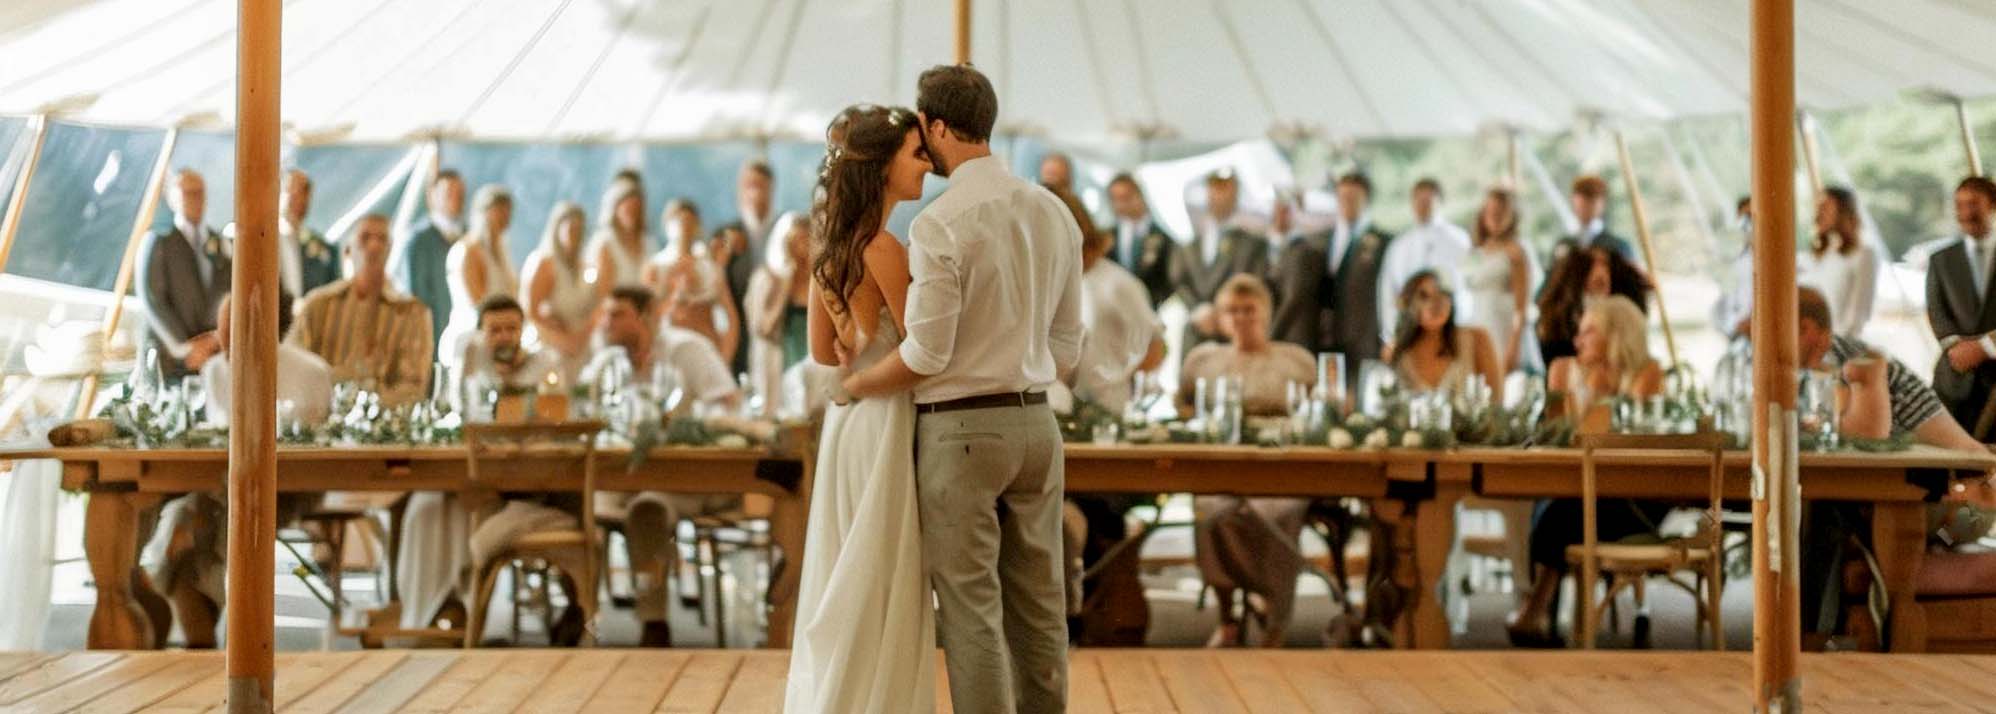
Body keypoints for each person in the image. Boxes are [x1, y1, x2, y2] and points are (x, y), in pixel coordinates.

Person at [839, 65, 1082, 713]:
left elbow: (926, 353)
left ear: (938, 126)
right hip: (1038, 427)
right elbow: (1066, 348)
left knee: (972, 608)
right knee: (1041, 603)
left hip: (961, 432)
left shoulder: (938, 225)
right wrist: (1014, 359)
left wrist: (859, 385)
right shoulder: (1054, 212)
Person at [147, 292, 335, 649]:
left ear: (263, 327)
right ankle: (197, 638)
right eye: (221, 329)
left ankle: (156, 584)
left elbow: (324, 446)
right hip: (225, 488)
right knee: (190, 517)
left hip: (291, 490)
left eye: (231, 329)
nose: (222, 339)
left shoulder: (311, 372)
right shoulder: (216, 371)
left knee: (196, 521)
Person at [583, 286, 741, 647]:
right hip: (625, 477)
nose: (605, 323)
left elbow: (726, 405)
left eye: (616, 314)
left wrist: (686, 431)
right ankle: (581, 613)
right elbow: (583, 410)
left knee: (647, 508)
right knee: (581, 506)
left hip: (687, 479)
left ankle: (654, 622)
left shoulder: (685, 349)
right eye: (605, 315)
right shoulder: (607, 363)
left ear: (645, 315)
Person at [1507, 295, 1665, 647]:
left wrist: (1597, 393)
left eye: (1589, 332)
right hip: (1578, 489)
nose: (1577, 341)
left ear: (1616, 334)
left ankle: (1536, 606)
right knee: (1563, 505)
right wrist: (1586, 390)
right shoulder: (1563, 370)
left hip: (1635, 497)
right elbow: (1560, 437)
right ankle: (1539, 607)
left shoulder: (1646, 372)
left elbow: (1627, 439)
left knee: (1562, 510)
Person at [1174, 274, 1317, 647]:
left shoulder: (1296, 360)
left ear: (1265, 314)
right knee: (1211, 511)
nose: (1240, 318)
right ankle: (1227, 617)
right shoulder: (1202, 360)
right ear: (1221, 317)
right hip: (1220, 467)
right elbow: (1183, 406)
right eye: (1231, 311)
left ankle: (1274, 615)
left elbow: (1320, 410)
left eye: (1248, 310)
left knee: (1275, 514)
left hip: (1282, 469)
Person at [291, 214, 435, 406]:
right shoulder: (318, 305)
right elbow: (297, 369)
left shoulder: (413, 313)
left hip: (386, 430)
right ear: (348, 250)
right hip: (320, 422)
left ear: (391, 249)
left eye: (382, 239)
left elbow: (414, 386)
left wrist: (369, 409)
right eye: (365, 238)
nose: (374, 247)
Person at [1057, 186, 1165, 413]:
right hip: (1061, 410)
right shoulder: (1056, 283)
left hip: (1107, 412)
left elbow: (1156, 346)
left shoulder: (1117, 284)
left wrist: (1119, 382)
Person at [136, 168, 229, 380]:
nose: (194, 198)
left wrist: (215, 339)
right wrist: (183, 347)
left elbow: (225, 290)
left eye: (199, 192)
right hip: (171, 356)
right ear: (171, 197)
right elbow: (152, 299)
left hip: (212, 354)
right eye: (187, 192)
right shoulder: (158, 240)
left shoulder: (219, 242)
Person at [1928, 176, 1996, 435]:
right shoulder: (1940, 260)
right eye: (1959, 205)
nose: (1965, 212)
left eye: (1973, 204)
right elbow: (1937, 313)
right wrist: (1957, 348)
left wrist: (1985, 347)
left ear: (1992, 205)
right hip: (1953, 378)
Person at [1171, 169, 1268, 350]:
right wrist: (1198, 310)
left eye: (1225, 188)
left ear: (1236, 192)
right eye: (1214, 188)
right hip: (1196, 332)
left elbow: (1253, 284)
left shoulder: (1252, 244)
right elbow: (1180, 281)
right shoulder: (1189, 244)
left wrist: (1220, 313)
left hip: (1233, 334)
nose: (1219, 195)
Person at [642, 199, 742, 364]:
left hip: (707, 348)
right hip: (669, 352)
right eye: (679, 221)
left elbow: (731, 318)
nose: (684, 227)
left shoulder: (709, 268)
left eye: (690, 221)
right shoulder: (656, 267)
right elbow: (647, 315)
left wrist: (725, 357)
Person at [1322, 172, 1395, 395]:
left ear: (1367, 200)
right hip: (1326, 340)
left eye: (1354, 197)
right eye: (1343, 197)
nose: (1348, 203)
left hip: (1365, 340)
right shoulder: (1322, 240)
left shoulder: (1384, 242)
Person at [742, 212, 817, 417]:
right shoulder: (768, 278)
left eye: (808, 239)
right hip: (782, 360)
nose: (803, 248)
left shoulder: (822, 280)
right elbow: (763, 329)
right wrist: (787, 283)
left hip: (814, 359)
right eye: (797, 241)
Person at [437, 184, 519, 369]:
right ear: (486, 212)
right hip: (472, 338)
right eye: (501, 211)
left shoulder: (502, 250)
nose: (506, 217)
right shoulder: (468, 251)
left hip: (501, 336)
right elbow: (478, 303)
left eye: (509, 211)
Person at [1377, 178, 1472, 335]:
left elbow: (1465, 286)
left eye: (1428, 200)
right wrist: (1389, 331)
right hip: (1408, 327)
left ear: (1440, 201)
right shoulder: (1399, 245)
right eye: (1418, 200)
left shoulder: (1458, 240)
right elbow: (1388, 288)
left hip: (1449, 326)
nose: (1422, 206)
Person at [1462, 187, 1541, 374]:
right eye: (1490, 212)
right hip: (1479, 320)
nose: (1495, 218)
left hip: (1504, 327)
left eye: (1501, 213)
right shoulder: (1477, 250)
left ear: (1512, 215)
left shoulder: (1516, 251)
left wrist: (1514, 345)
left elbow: (1522, 305)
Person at [1389, 270, 1502, 399]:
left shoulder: (1476, 338)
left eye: (1442, 293)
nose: (1436, 302)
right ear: (1407, 304)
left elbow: (1496, 402)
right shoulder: (1396, 353)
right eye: (1424, 296)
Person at [1536, 245, 1652, 365]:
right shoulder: (1557, 321)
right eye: (1591, 266)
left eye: (1605, 265)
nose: (1601, 271)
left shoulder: (1623, 313)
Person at [520, 202, 598, 379]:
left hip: (581, 344)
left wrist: (581, 338)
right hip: (550, 345)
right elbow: (530, 312)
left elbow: (596, 307)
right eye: (571, 230)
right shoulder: (543, 263)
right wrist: (564, 341)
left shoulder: (585, 267)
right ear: (557, 230)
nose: (575, 236)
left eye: (579, 231)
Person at [393, 169, 466, 348]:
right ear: (432, 196)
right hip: (428, 335)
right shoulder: (417, 240)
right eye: (449, 193)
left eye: (460, 194)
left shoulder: (467, 236)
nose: (455, 199)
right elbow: (415, 294)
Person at [721, 160, 778, 376]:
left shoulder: (785, 228)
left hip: (776, 327)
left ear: (771, 189)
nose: (755, 192)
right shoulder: (727, 233)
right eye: (749, 185)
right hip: (739, 328)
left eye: (760, 185)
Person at [1802, 186, 1881, 339]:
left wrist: (1835, 347)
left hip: (1839, 348)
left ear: (1844, 212)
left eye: (1826, 207)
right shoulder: (1820, 255)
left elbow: (1859, 315)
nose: (1819, 213)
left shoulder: (1864, 254)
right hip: (1813, 348)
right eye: (1818, 207)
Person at [1106, 172, 1176, 306]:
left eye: (1126, 197)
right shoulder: (1108, 237)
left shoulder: (1162, 238)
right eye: (1115, 199)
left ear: (1139, 196)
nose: (1121, 204)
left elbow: (1169, 280)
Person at [1549, 175, 1636, 267]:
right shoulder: (1564, 245)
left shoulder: (1617, 247)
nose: (1585, 206)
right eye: (1581, 201)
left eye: (1592, 200)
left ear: (1602, 203)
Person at [279, 168, 340, 299]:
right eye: (291, 190)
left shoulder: (323, 248)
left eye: (305, 192)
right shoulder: (264, 240)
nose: (299, 199)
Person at [588, 173, 651, 293]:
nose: (633, 214)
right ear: (615, 209)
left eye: (637, 209)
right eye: (628, 209)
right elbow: (603, 293)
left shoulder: (649, 242)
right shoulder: (604, 242)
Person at [1710, 197, 1755, 342]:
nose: (1746, 225)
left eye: (1750, 218)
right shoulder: (1732, 259)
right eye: (1743, 219)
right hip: (1735, 333)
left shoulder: (1772, 259)